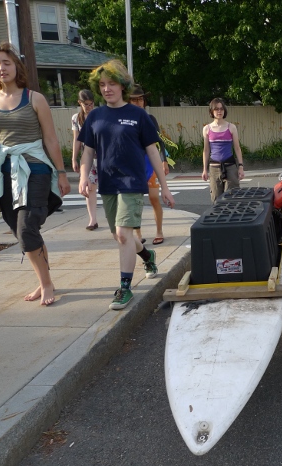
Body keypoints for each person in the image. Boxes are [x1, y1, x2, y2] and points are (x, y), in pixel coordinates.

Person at [0, 42, 71, 306]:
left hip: (35, 169)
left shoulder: (34, 98)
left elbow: (50, 139)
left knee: (27, 229)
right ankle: (44, 280)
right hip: (4, 171)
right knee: (22, 232)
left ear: (16, 65)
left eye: (6, 62)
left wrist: (61, 173)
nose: (2, 68)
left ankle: (47, 284)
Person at [77, 59, 175, 310]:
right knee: (121, 236)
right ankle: (146, 255)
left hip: (132, 182)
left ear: (122, 86)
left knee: (123, 234)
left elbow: (153, 152)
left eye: (111, 83)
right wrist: (83, 176)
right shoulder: (95, 116)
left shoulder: (138, 115)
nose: (107, 89)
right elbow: (88, 151)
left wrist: (164, 186)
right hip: (108, 182)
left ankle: (125, 288)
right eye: (102, 85)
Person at [128, 84, 169, 245]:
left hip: (150, 162)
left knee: (153, 198)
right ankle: (138, 234)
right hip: (133, 165)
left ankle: (159, 230)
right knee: (135, 201)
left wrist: (164, 160)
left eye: (141, 99)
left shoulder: (150, 119)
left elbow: (159, 141)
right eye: (134, 100)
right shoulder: (125, 119)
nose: (138, 102)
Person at [201, 98, 245, 202]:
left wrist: (241, 167)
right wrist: (204, 169)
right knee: (216, 199)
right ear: (211, 111)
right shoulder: (207, 129)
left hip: (230, 167)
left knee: (232, 198)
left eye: (221, 109)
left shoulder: (231, 127)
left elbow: (237, 148)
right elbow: (206, 150)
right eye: (216, 109)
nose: (219, 111)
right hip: (214, 168)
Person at [71, 89, 99, 230]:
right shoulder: (77, 118)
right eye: (86, 104)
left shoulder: (99, 115)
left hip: (102, 156)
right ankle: (92, 220)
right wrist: (74, 158)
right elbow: (76, 139)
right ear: (80, 103)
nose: (89, 107)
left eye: (91, 104)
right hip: (87, 157)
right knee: (90, 188)